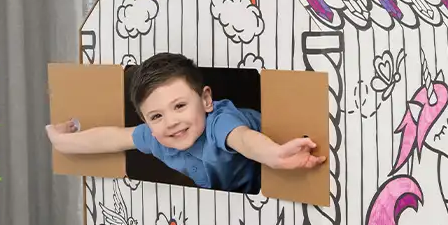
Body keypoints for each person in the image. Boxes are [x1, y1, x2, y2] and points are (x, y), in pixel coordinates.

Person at [45, 52, 325, 193]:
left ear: (205, 100)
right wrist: (63, 141)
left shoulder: (219, 122)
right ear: (147, 121)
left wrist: (275, 155)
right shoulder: (159, 138)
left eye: (179, 106)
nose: (171, 122)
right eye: (156, 116)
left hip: (271, 172)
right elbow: (114, 137)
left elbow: (242, 138)